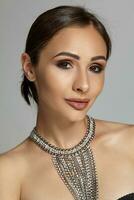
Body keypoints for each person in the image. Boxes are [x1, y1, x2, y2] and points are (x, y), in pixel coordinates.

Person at [0, 5, 134, 200]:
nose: (83, 85)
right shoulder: (8, 173)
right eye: (65, 64)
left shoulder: (131, 142)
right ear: (29, 68)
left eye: (95, 68)